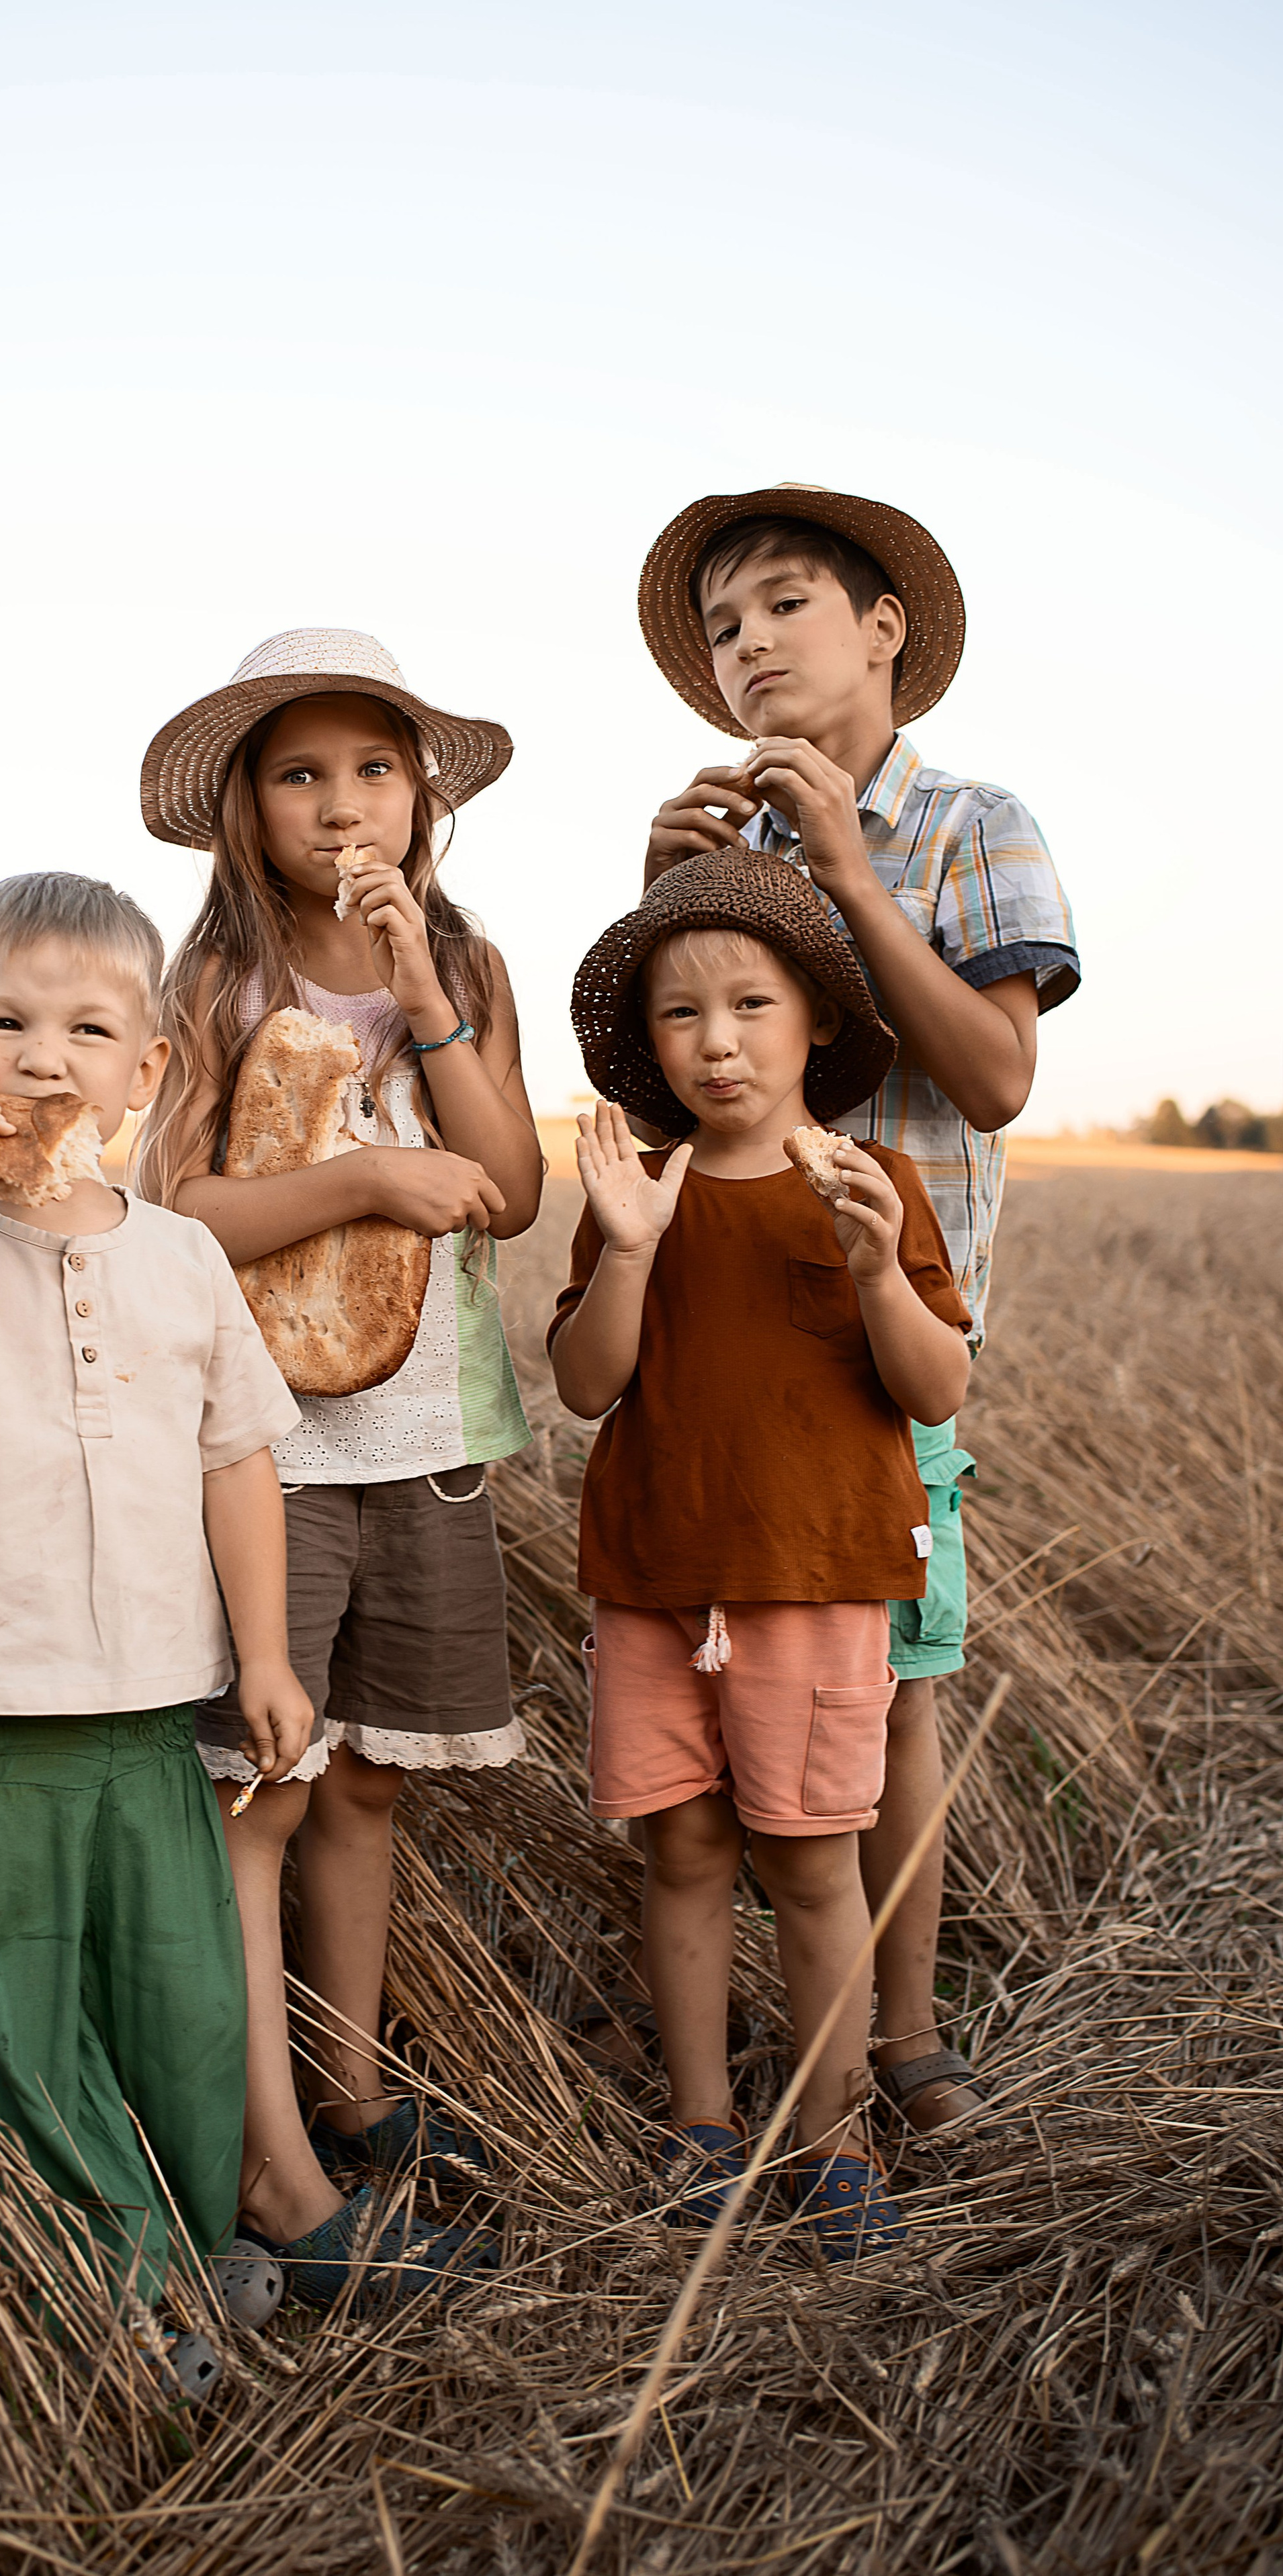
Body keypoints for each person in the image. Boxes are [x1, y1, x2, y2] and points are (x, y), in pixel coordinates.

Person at [636, 483, 1079, 2133]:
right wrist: (654, 900)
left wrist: (844, 872)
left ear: (882, 627)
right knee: (733, 1708)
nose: (746, 645)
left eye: (783, 605)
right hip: (727, 1348)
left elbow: (996, 1076)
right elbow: (671, 1099)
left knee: (892, 1695)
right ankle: (778, 2042)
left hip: (891, 1348)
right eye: (720, 627)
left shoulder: (971, 821)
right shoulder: (718, 848)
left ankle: (903, 2036)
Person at [0, 870, 312, 2339]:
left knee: (185, 2009)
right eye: (4, 1024)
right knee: (22, 2027)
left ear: (144, 1070)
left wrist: (266, 1655)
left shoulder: (180, 1254)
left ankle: (192, 2234)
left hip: (151, 1716)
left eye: (88, 1030)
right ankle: (113, 2291)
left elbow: (235, 1460)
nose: (45, 1061)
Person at [140, 629, 543, 2299]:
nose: (339, 804)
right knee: (265, 1786)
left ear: (419, 796)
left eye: (372, 769)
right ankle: (270, 2172)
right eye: (298, 774)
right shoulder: (214, 984)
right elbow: (173, 1212)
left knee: (367, 1777)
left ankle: (352, 2092)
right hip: (271, 1454)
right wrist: (367, 1182)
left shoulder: (468, 964)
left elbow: (512, 1185)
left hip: (430, 1439)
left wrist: (427, 998)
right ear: (244, 807)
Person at [549, 852, 971, 2256]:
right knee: (678, 1848)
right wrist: (626, 1249)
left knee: (808, 1861)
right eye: (680, 1015)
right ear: (650, 1045)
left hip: (814, 1578)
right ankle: (700, 2125)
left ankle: (834, 2135)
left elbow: (936, 1386)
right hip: (655, 1574)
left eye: (749, 1005)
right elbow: (586, 1386)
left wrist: (873, 1269)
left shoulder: (871, 1183)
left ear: (816, 1021)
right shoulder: (638, 1191)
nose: (716, 1041)